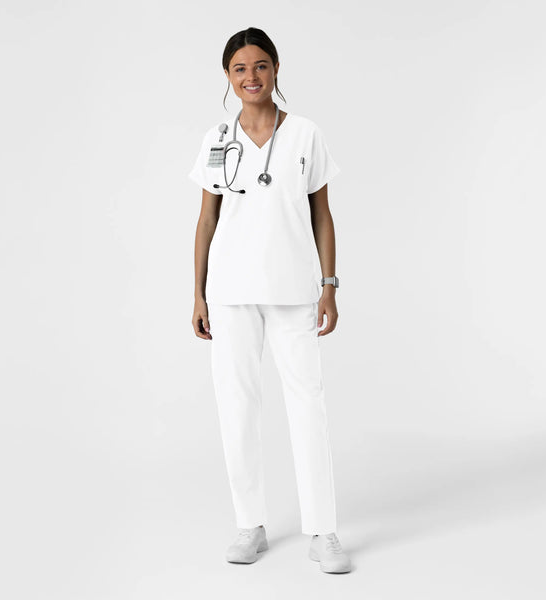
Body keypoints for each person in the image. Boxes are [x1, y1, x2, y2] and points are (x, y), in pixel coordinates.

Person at [189, 27, 351, 574]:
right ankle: (250, 524)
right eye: (239, 68)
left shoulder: (304, 134)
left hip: (292, 290)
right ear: (227, 77)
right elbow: (206, 220)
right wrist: (198, 293)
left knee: (308, 403)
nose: (251, 76)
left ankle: (323, 531)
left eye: (260, 65)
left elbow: (322, 214)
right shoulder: (216, 139)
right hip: (230, 293)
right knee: (236, 406)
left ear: (276, 69)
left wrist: (329, 285)